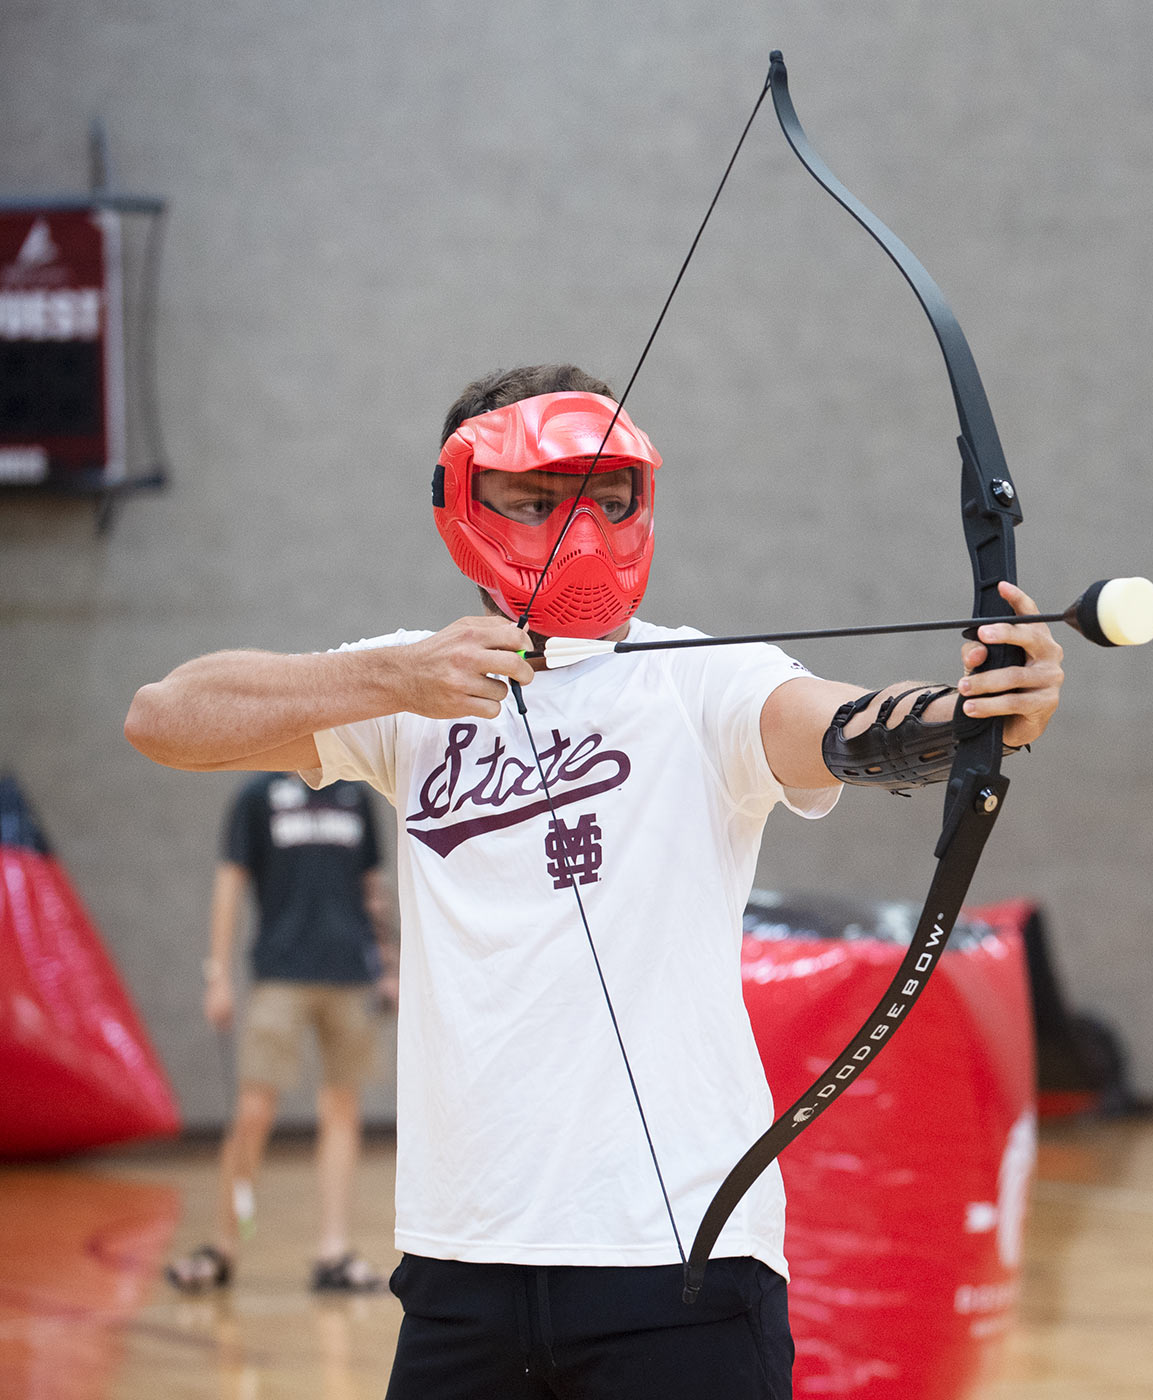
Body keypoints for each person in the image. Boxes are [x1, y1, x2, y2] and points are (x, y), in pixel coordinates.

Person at [124, 365, 1067, 1399]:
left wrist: (969, 711)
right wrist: (393, 678)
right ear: (462, 507)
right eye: (535, 500)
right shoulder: (415, 683)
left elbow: (837, 727)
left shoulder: (707, 680)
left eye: (605, 499)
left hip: (680, 1264)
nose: (579, 531)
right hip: (462, 1260)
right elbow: (164, 715)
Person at [165, 773, 397, 1295]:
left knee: (342, 1108)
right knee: (253, 1110)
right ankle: (224, 1246)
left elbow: (370, 888)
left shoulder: (354, 793)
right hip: (281, 974)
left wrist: (388, 964)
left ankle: (333, 1252)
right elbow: (230, 883)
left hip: (349, 973)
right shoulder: (257, 796)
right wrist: (218, 974)